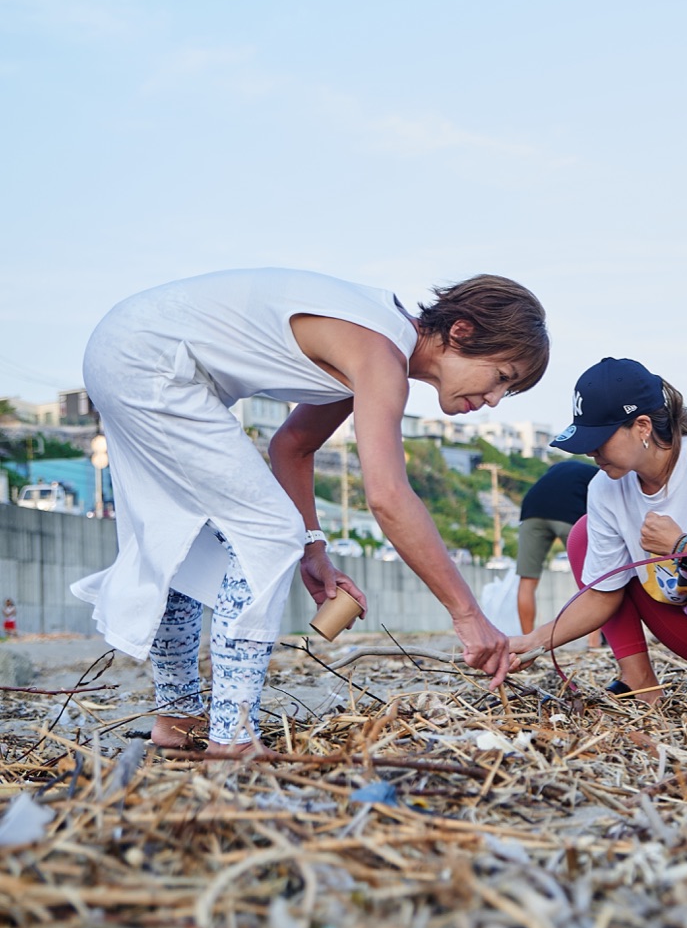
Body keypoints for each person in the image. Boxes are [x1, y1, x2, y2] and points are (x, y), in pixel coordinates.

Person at [74, 269, 549, 757]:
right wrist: (468, 615)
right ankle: (232, 738)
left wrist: (314, 550)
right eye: (500, 377)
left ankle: (178, 719)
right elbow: (387, 496)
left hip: (125, 347)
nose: (492, 400)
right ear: (462, 331)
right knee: (270, 532)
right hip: (149, 362)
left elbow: (293, 447)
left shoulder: (373, 345)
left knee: (183, 538)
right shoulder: (381, 352)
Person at [508, 357, 687, 705]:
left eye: (600, 439)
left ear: (642, 427)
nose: (592, 452)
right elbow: (601, 594)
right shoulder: (604, 489)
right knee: (583, 535)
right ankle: (639, 680)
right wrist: (533, 642)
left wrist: (683, 547)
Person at [515, 458, 596, 634]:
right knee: (592, 578)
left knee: (527, 580)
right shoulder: (601, 474)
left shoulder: (554, 471)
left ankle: (527, 640)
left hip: (531, 511)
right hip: (569, 511)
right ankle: (594, 641)